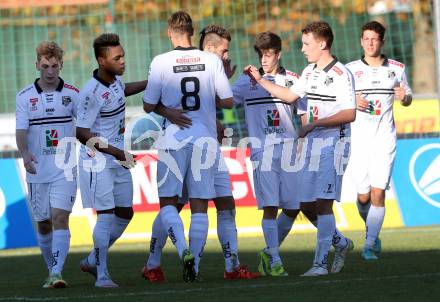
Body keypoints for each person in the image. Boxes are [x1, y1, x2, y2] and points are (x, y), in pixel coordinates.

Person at [142, 24, 259, 282]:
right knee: (178, 205)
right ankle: (155, 262)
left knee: (226, 203)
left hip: (205, 145)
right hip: (189, 143)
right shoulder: (206, 64)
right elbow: (207, 100)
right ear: (210, 48)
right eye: (224, 51)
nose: (227, 56)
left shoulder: (201, 66)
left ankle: (230, 266)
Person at [246, 21, 356, 276]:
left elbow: (350, 113)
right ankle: (341, 244)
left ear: (322, 44)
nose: (302, 48)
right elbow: (288, 97)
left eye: (306, 43)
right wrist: (261, 80)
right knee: (305, 204)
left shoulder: (341, 74)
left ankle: (319, 265)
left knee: (324, 204)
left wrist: (315, 124)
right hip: (312, 144)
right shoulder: (308, 72)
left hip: (335, 144)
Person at [76, 33, 147, 288]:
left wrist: (150, 83)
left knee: (126, 212)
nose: (123, 61)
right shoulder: (90, 92)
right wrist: (117, 153)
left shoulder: (115, 81)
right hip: (98, 160)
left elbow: (122, 91)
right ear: (101, 61)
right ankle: (102, 274)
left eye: (123, 56)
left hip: (117, 157)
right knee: (105, 215)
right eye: (117, 58)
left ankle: (92, 260)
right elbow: (81, 133)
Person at [232, 31, 302, 277]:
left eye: (269, 54)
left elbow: (300, 108)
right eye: (261, 54)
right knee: (270, 206)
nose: (264, 59)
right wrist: (224, 77)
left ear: (278, 54)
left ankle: (268, 251)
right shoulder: (246, 81)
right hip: (262, 150)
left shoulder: (292, 79)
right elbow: (224, 101)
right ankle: (274, 258)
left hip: (289, 150)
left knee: (294, 207)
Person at [346, 21, 412, 260]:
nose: (370, 43)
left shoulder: (396, 68)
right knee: (363, 196)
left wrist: (405, 97)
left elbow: (407, 97)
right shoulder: (350, 69)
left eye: (374, 39)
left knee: (378, 193)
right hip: (359, 141)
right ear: (361, 41)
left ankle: (369, 244)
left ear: (381, 41)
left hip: (384, 140)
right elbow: (339, 101)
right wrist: (353, 101)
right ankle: (371, 229)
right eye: (366, 38)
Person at [15, 41, 79, 288]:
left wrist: (94, 146)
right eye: (45, 66)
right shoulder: (25, 97)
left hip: (65, 169)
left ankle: (56, 273)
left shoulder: (73, 94)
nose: (50, 71)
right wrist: (25, 153)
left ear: (61, 65)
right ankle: (51, 269)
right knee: (43, 222)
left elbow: (85, 125)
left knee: (60, 217)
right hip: (38, 168)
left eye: (54, 66)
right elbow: (21, 130)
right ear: (37, 66)